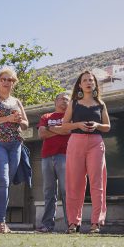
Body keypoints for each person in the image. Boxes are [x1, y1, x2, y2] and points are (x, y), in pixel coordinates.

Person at [61, 71, 111, 234]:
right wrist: (79, 125)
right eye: (85, 80)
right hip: (76, 141)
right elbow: (64, 125)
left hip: (96, 143)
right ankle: (73, 222)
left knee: (97, 183)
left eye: (91, 80)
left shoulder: (101, 104)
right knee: (74, 183)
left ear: (95, 84)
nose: (88, 82)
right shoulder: (74, 103)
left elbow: (107, 126)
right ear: (80, 85)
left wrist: (96, 125)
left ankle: (96, 222)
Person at [0, 67, 29, 234]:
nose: (6, 82)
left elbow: (26, 123)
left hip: (15, 144)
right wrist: (7, 118)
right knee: (2, 181)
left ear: (14, 83)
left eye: (10, 80)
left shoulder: (17, 101)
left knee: (5, 183)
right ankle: (1, 222)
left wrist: (19, 120)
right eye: (3, 79)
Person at [35, 92, 71, 233]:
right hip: (47, 157)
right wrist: (60, 130)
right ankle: (47, 225)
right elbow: (41, 134)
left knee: (66, 191)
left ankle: (71, 225)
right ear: (55, 102)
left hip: (65, 156)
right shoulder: (46, 117)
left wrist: (51, 129)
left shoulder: (70, 117)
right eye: (61, 99)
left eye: (67, 99)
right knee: (49, 192)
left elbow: (67, 130)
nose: (64, 101)